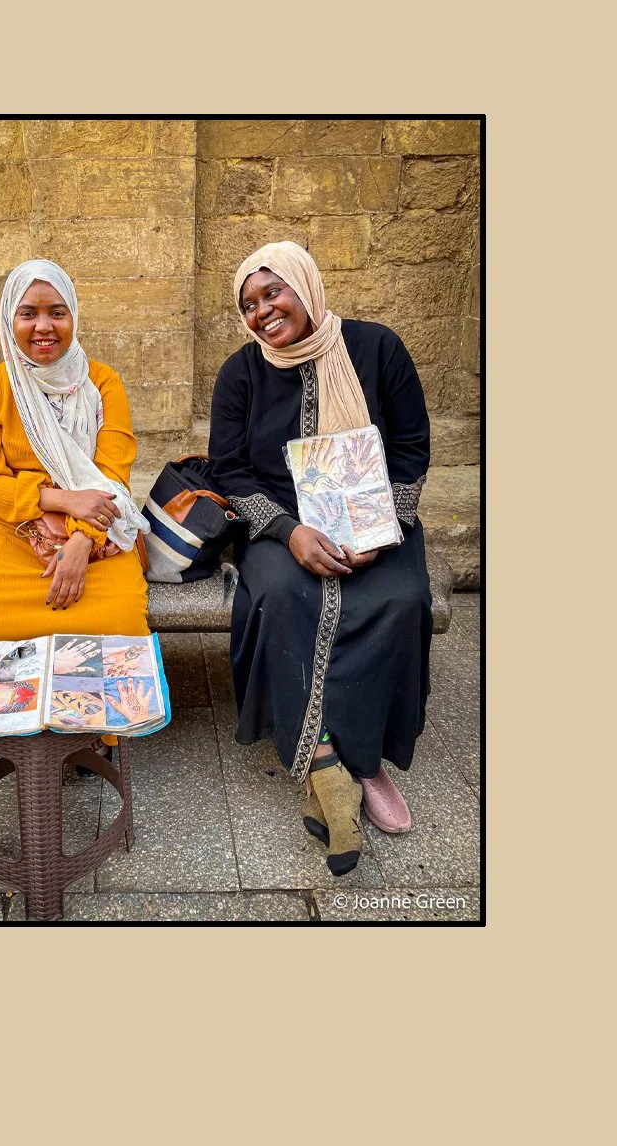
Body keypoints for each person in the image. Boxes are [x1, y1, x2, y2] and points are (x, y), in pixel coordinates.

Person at [208, 241, 432, 876]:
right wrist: (287, 531)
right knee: (282, 596)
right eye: (248, 304)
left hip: (376, 522)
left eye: (272, 293)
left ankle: (368, 759)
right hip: (278, 526)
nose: (262, 312)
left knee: (400, 598)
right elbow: (228, 470)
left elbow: (412, 446)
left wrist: (380, 526)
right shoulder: (241, 373)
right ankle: (326, 758)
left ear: (304, 286)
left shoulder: (376, 348)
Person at [0, 259, 150, 765]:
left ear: (73, 316)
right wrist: (60, 498)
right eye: (28, 313)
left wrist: (81, 540)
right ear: (9, 321)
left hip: (96, 529)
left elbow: (114, 475)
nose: (43, 327)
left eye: (57, 312)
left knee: (119, 617)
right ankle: (1, 728)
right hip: (9, 527)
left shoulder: (104, 384)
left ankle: (91, 728)